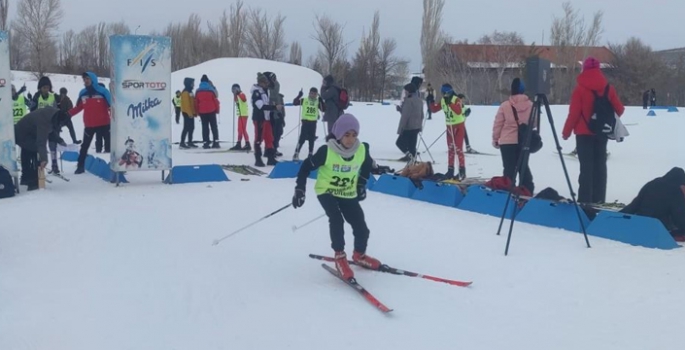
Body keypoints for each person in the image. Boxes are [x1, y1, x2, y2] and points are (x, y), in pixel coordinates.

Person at [292, 113, 379, 281]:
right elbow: (305, 167)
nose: (350, 140)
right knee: (336, 220)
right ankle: (339, 256)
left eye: (354, 135)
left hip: (347, 193)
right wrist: (300, 189)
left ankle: (359, 255)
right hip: (327, 192)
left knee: (361, 226)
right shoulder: (326, 151)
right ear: (338, 134)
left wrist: (361, 185)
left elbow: (367, 165)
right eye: (346, 135)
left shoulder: (361, 150)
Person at [562, 57, 625, 204]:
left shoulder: (580, 90)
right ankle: (599, 199)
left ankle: (585, 200)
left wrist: (566, 132)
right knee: (600, 167)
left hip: (583, 134)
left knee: (586, 168)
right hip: (601, 133)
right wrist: (605, 118)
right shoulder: (609, 88)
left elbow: (574, 113)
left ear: (584, 69)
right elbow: (620, 109)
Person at [492, 78, 535, 193]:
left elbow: (498, 124)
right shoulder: (531, 105)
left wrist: (496, 139)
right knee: (523, 167)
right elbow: (534, 123)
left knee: (509, 169)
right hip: (524, 141)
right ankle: (527, 190)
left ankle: (507, 190)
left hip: (507, 143)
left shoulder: (505, 105)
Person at [620, 167, 685, 241]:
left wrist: (620, 215)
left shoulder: (652, 183)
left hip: (641, 222)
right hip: (659, 227)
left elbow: (635, 204)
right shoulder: (676, 190)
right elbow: (678, 215)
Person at [68, 72, 112, 174]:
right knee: (84, 147)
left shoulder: (103, 92)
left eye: (88, 79)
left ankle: (114, 168)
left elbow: (111, 107)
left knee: (110, 147)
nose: (86, 81)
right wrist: (67, 114)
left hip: (104, 124)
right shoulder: (82, 93)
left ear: (93, 79)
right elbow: (78, 107)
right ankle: (80, 167)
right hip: (89, 125)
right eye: (84, 79)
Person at [14, 107, 68, 190]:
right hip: (22, 134)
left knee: (28, 150)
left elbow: (51, 130)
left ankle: (25, 178)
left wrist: (59, 140)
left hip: (27, 133)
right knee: (34, 150)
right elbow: (41, 142)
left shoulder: (52, 114)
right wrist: (44, 159)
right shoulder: (44, 121)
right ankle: (32, 181)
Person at [429, 84, 466, 180]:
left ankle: (462, 171)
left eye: (443, 92)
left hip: (458, 126)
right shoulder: (443, 101)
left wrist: (450, 103)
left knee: (458, 149)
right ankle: (450, 170)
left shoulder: (456, 99)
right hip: (449, 127)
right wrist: (431, 101)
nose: (442, 94)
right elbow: (434, 110)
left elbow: (458, 111)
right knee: (450, 149)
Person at [31, 76, 63, 174]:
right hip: (41, 126)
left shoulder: (53, 96)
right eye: (44, 87)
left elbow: (59, 110)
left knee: (53, 145)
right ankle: (41, 167)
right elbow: (32, 110)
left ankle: (55, 165)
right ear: (40, 88)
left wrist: (59, 123)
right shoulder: (36, 97)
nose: (46, 89)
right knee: (41, 146)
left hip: (52, 125)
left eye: (47, 87)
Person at [251, 72, 282, 166]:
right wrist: (274, 107)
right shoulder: (256, 92)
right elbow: (260, 106)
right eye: (264, 83)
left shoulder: (265, 91)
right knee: (258, 138)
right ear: (260, 83)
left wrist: (273, 109)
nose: (266, 84)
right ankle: (258, 158)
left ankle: (271, 157)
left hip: (266, 118)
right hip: (259, 118)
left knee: (269, 138)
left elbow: (267, 103)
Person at [292, 87, 323, 161]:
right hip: (305, 122)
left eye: (315, 94)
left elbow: (323, 109)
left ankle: (310, 153)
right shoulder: (305, 100)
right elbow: (295, 103)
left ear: (316, 95)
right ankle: (296, 152)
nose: (313, 95)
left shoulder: (317, 102)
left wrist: (321, 101)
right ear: (309, 93)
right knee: (302, 138)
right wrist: (299, 95)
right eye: (312, 93)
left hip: (313, 122)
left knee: (311, 139)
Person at [396, 83, 424, 162]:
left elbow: (405, 116)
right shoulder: (419, 100)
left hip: (408, 127)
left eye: (405, 91)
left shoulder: (408, 101)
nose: (405, 93)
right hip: (416, 127)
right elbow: (421, 115)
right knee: (412, 146)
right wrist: (420, 126)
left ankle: (410, 156)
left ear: (408, 91)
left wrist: (401, 129)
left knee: (399, 143)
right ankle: (413, 158)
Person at [195, 74, 221, 149]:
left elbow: (196, 102)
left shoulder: (198, 90)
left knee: (204, 127)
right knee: (214, 126)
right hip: (211, 110)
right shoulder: (211, 89)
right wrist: (217, 109)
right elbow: (216, 97)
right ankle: (215, 142)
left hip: (202, 111)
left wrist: (197, 111)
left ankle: (206, 142)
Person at [229, 84, 251, 151]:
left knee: (243, 129)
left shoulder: (242, 94)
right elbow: (235, 100)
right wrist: (235, 95)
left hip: (243, 114)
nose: (233, 92)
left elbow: (244, 99)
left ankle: (247, 143)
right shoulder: (237, 96)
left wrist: (238, 93)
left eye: (234, 90)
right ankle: (239, 143)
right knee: (239, 129)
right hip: (240, 115)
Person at [179, 78, 198, 149]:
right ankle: (182, 142)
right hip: (187, 113)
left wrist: (194, 112)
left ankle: (190, 141)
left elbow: (192, 103)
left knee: (191, 128)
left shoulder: (190, 92)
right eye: (192, 83)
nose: (193, 85)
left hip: (190, 113)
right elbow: (187, 105)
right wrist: (190, 113)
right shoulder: (185, 92)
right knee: (186, 128)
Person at [93, 82, 111, 154]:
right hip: (105, 121)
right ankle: (106, 150)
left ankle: (99, 150)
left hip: (100, 121)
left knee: (99, 137)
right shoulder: (106, 96)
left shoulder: (96, 97)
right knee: (106, 137)